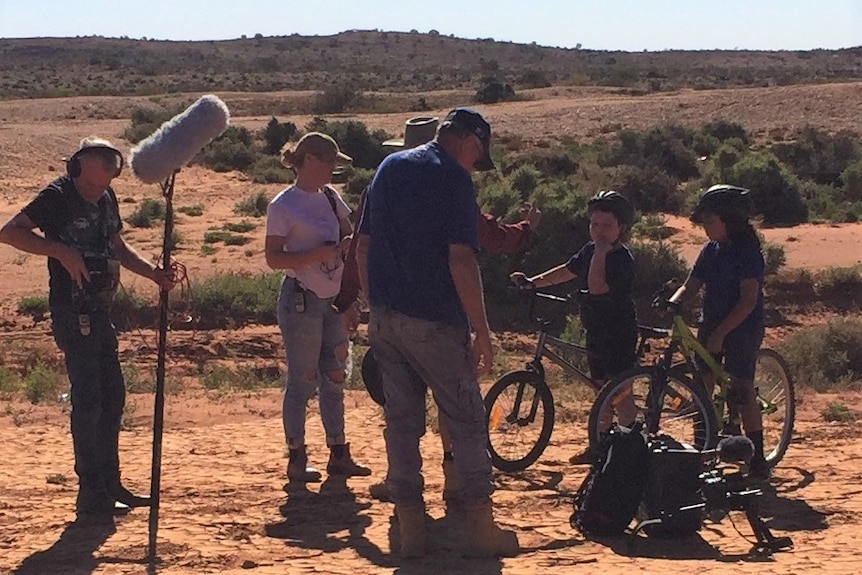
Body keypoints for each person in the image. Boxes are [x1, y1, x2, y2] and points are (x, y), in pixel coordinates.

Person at [339, 116, 541, 504]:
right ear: (469, 143)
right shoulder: (453, 178)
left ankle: (408, 513)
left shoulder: (389, 168)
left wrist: (373, 305)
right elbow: (461, 259)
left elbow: (361, 246)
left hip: (385, 316)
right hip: (434, 318)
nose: (474, 166)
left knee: (401, 418)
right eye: (477, 156)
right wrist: (481, 330)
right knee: (465, 416)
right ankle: (477, 516)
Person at [0, 137, 175, 526]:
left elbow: (117, 246)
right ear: (79, 166)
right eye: (100, 164)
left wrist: (153, 274)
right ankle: (90, 492)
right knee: (89, 400)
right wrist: (61, 251)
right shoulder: (58, 196)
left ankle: (111, 484)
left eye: (112, 166)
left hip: (100, 310)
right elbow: (11, 231)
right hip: (71, 310)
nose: (108, 173)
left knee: (113, 396)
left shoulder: (108, 199)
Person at [264, 132, 371, 484]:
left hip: (334, 298)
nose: (332, 171)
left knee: (335, 375)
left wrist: (350, 296)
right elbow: (274, 258)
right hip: (302, 300)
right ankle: (296, 457)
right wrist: (319, 255)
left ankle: (339, 452)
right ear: (309, 160)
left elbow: (350, 238)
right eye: (328, 163)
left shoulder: (330, 197)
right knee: (303, 379)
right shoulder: (283, 205)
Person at [509, 190, 639, 464]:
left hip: (618, 332)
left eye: (607, 226)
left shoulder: (621, 258)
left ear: (621, 229)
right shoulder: (590, 250)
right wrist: (533, 282)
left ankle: (630, 450)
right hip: (596, 328)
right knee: (601, 389)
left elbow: (597, 287)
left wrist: (601, 254)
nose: (599, 231)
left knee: (621, 393)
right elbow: (567, 270)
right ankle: (599, 445)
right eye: (594, 225)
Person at [667, 184, 769, 481]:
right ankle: (704, 449)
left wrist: (722, 333)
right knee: (703, 386)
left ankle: (758, 458)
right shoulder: (711, 250)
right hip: (712, 320)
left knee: (741, 388)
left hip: (743, 325)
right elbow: (692, 283)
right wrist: (674, 302)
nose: (705, 228)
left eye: (710, 221)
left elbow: (748, 300)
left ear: (730, 221)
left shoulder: (748, 253)